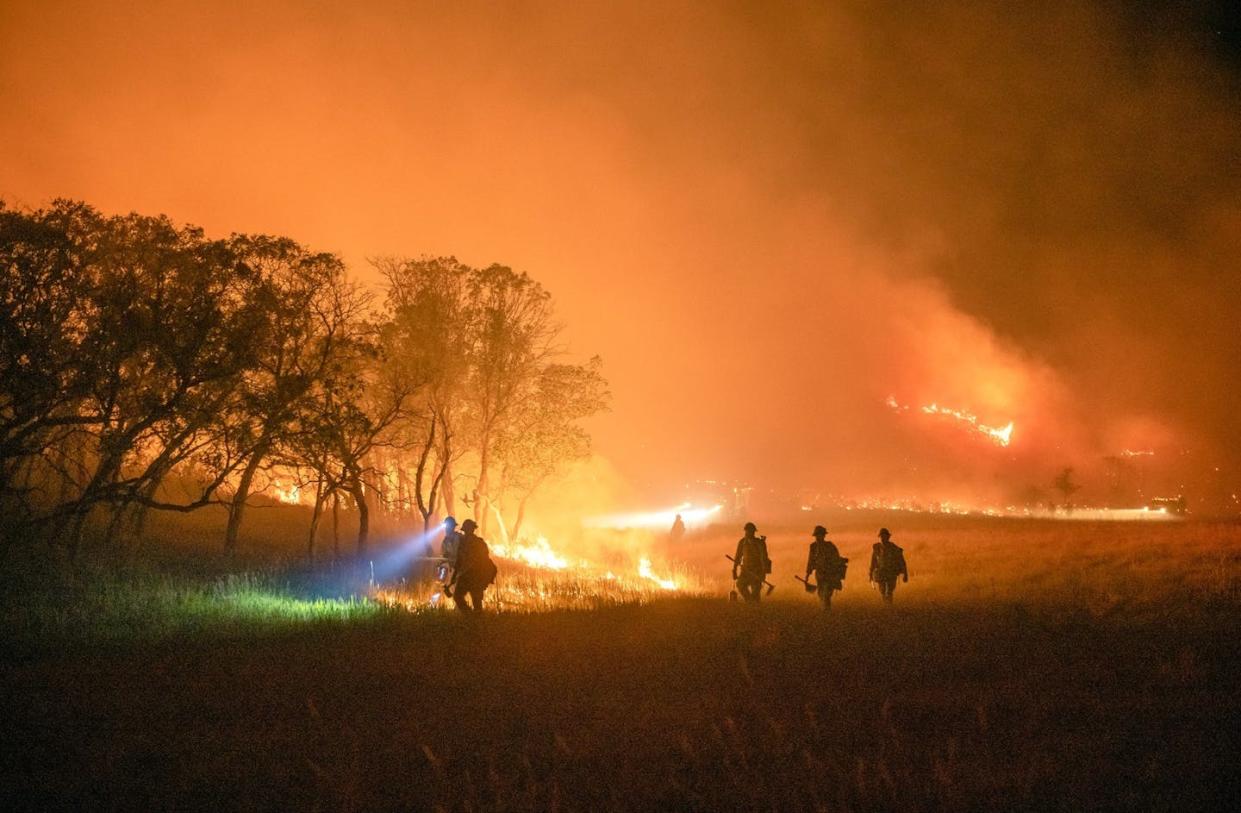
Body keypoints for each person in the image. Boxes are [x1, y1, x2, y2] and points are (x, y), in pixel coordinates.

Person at [452, 518, 497, 612]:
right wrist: (454, 577)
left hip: (475, 576)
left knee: (475, 601)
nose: (467, 532)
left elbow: (484, 560)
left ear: (471, 530)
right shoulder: (464, 543)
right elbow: (459, 561)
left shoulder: (479, 543)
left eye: (468, 529)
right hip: (468, 576)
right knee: (458, 597)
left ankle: (474, 619)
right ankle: (470, 617)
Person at [805, 525, 847, 611]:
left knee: (827, 592)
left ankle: (826, 609)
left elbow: (836, 558)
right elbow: (810, 560)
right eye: (816, 535)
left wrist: (841, 561)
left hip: (829, 573)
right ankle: (824, 609)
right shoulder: (813, 546)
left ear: (823, 535)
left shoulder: (830, 546)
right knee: (821, 592)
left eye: (819, 535)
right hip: (819, 573)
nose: (817, 537)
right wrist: (807, 574)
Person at [732, 521, 771, 603]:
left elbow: (764, 557)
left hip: (757, 571)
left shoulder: (759, 543)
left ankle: (754, 607)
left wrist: (763, 572)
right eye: (748, 531)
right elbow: (738, 556)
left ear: (753, 532)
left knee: (755, 592)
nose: (749, 533)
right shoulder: (742, 542)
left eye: (751, 531)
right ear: (745, 531)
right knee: (740, 585)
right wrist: (734, 569)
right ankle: (749, 601)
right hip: (745, 570)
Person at [868, 527, 908, 604]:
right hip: (881, 573)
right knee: (882, 591)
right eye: (881, 536)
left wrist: (905, 574)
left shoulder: (894, 548)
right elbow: (873, 562)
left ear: (888, 537)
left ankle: (889, 606)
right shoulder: (877, 549)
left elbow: (902, 561)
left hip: (891, 572)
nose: (882, 538)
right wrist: (870, 574)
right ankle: (886, 606)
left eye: (884, 536)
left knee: (889, 591)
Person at [437, 516, 461, 582]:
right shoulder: (445, 540)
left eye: (448, 527)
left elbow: (456, 552)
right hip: (450, 566)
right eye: (446, 527)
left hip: (459, 567)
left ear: (453, 527)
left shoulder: (458, 537)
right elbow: (443, 553)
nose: (446, 529)